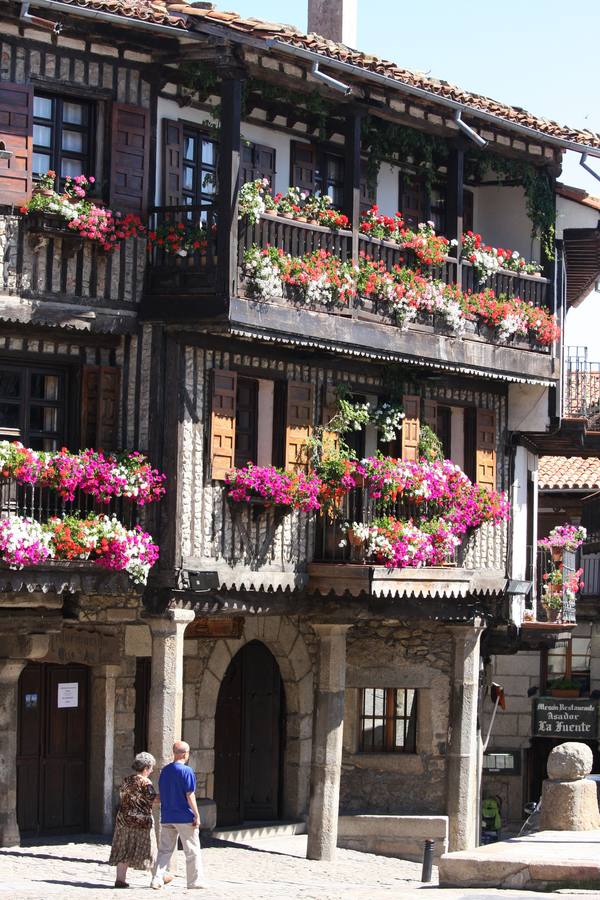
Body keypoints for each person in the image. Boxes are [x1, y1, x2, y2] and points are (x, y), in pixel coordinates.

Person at [109, 751, 169, 889]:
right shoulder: (145, 782)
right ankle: (158, 877)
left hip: (123, 819)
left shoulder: (127, 780)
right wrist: (169, 796)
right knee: (151, 848)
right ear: (146, 768)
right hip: (141, 822)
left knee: (123, 848)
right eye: (151, 767)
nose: (152, 770)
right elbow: (153, 799)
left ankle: (120, 879)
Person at [151, 741, 205, 890]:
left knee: (165, 850)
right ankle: (194, 882)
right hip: (184, 816)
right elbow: (190, 795)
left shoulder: (165, 771)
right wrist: (197, 814)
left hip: (167, 815)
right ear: (185, 754)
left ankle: (157, 879)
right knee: (192, 850)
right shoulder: (187, 771)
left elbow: (162, 794)